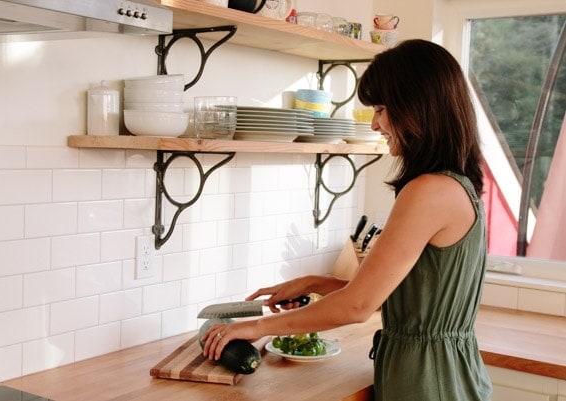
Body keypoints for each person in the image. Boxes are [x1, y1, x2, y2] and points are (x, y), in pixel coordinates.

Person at [202, 39, 493, 401]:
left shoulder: (428, 191)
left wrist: (257, 327)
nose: (375, 124)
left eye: (383, 108)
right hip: (449, 375)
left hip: (425, 381)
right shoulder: (456, 185)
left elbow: (358, 306)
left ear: (419, 107)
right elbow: (412, 296)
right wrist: (315, 282)